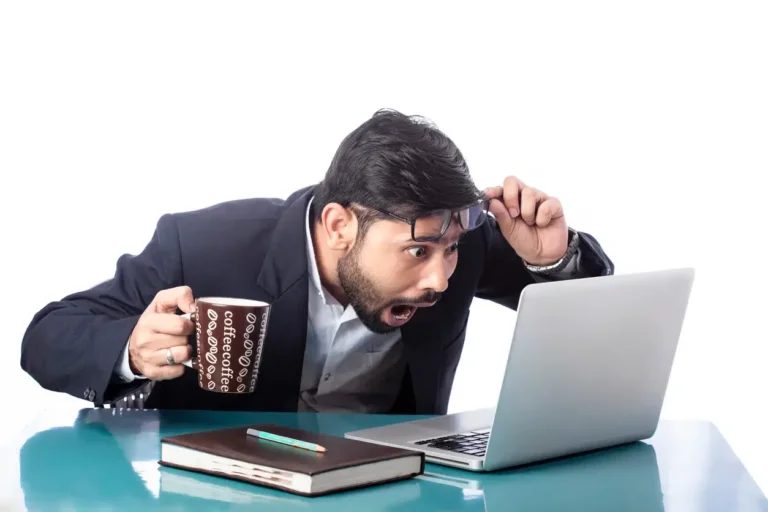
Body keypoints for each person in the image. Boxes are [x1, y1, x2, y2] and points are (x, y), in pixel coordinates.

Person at [20, 109, 614, 415]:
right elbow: (47, 337)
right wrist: (132, 349)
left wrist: (552, 259)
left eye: (451, 248)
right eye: (417, 251)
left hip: (393, 491)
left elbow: (592, 320)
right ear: (339, 226)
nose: (441, 276)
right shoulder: (202, 246)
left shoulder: (463, 245)